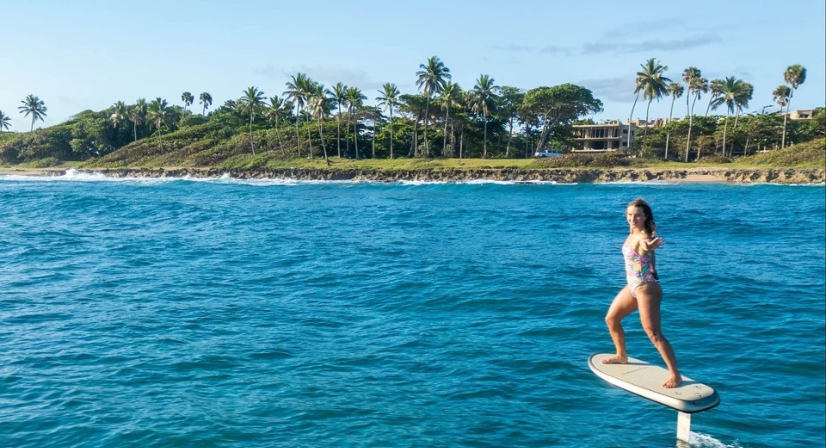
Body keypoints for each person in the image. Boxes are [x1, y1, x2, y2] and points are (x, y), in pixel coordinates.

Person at [602, 198, 682, 388]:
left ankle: (675, 375)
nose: (632, 218)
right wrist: (654, 267)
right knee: (611, 319)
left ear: (645, 216)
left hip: (646, 288)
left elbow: (645, 246)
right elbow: (647, 254)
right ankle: (621, 356)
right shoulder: (632, 232)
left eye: (637, 215)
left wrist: (649, 246)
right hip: (633, 286)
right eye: (630, 215)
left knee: (654, 334)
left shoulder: (643, 236)